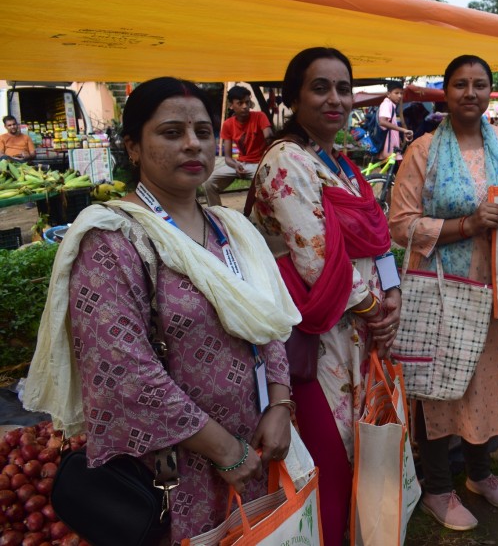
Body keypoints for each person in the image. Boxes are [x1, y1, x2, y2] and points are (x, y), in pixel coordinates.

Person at [22, 77, 301, 544]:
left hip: (255, 448)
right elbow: (122, 370)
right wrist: (224, 450)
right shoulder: (113, 241)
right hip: (174, 468)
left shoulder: (229, 228)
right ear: (133, 147)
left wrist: (279, 403)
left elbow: (268, 319)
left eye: (203, 132)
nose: (193, 144)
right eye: (172, 132)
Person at [248, 47, 402, 546]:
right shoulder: (286, 160)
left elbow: (376, 238)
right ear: (293, 98)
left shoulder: (339, 162)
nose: (335, 99)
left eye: (343, 88)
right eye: (320, 88)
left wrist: (392, 291)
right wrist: (377, 310)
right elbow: (316, 259)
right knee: (329, 460)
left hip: (357, 331)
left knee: (358, 449)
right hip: (316, 339)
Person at [390, 54, 498, 531]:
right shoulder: (423, 150)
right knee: (437, 388)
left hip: (496, 287)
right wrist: (467, 225)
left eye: (480, 84)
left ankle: (478, 473)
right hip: (442, 290)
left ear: (491, 91)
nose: (471, 93)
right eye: (460, 84)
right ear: (445, 92)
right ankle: (437, 487)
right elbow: (400, 225)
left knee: (483, 384)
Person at [202, 85, 273, 206]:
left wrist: (270, 138)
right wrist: (235, 166)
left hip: (259, 164)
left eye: (247, 102)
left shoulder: (260, 116)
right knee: (208, 183)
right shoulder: (228, 124)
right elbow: (228, 158)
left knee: (264, 182)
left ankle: (264, 214)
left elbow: (269, 138)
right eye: (240, 103)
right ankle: (217, 212)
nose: (245, 106)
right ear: (231, 105)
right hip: (240, 164)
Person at [378, 80, 413, 160]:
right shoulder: (387, 104)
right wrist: (403, 130)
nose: (399, 96)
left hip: (391, 149)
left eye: (401, 93)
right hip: (388, 151)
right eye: (396, 93)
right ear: (388, 94)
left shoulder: (392, 105)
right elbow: (382, 121)